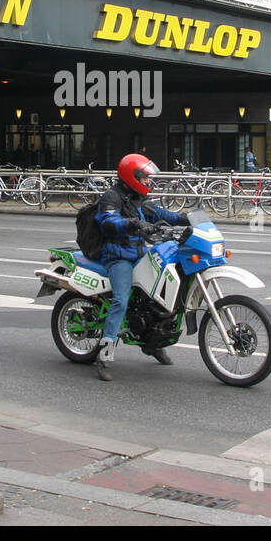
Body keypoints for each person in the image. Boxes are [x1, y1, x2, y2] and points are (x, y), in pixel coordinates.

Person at [92, 153, 187, 382]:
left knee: (162, 293)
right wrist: (131, 223)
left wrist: (186, 218)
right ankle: (104, 355)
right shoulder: (111, 197)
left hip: (139, 253)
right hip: (118, 257)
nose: (147, 182)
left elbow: (160, 214)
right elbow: (107, 221)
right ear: (131, 176)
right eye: (144, 178)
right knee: (121, 300)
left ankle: (152, 343)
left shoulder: (138, 198)